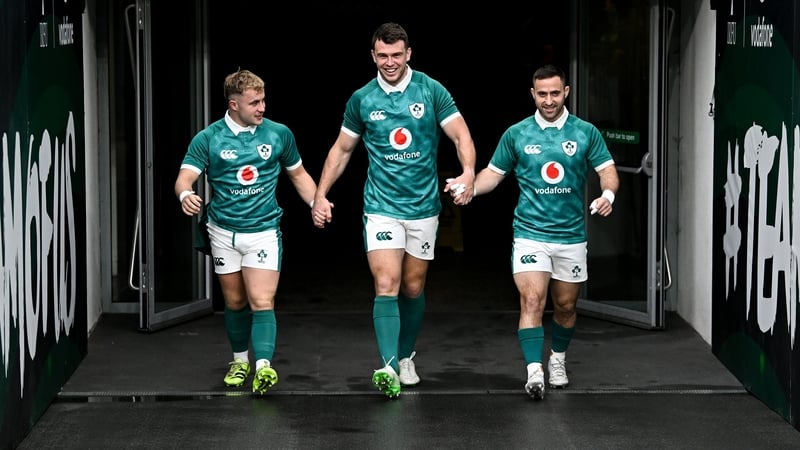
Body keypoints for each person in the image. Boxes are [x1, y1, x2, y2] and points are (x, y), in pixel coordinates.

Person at [311, 22, 477, 399]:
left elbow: (460, 135)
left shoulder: (431, 90)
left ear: (408, 54)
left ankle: (405, 357)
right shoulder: (362, 98)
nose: (390, 62)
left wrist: (468, 172)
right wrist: (320, 194)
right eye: (383, 56)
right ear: (373, 56)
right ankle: (387, 366)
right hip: (381, 206)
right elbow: (342, 150)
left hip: (423, 207)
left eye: (396, 55)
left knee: (413, 286)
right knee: (387, 283)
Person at [448, 64, 619, 400]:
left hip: (570, 236)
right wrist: (470, 187)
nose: (549, 100)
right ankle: (534, 372)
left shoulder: (585, 132)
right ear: (532, 94)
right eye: (542, 94)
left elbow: (608, 170)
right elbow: (493, 174)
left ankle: (558, 359)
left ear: (566, 92)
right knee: (531, 299)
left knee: (566, 306)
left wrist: (608, 196)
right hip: (530, 233)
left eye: (555, 93)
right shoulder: (517, 134)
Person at [174, 69, 318, 394]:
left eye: (263, 100)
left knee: (262, 300)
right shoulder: (208, 138)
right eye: (254, 102)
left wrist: (316, 202)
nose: (262, 107)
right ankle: (240, 362)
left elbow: (298, 175)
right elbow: (184, 178)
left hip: (263, 231)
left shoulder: (278, 134)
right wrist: (185, 195)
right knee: (235, 301)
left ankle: (264, 366)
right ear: (234, 104)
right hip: (223, 232)